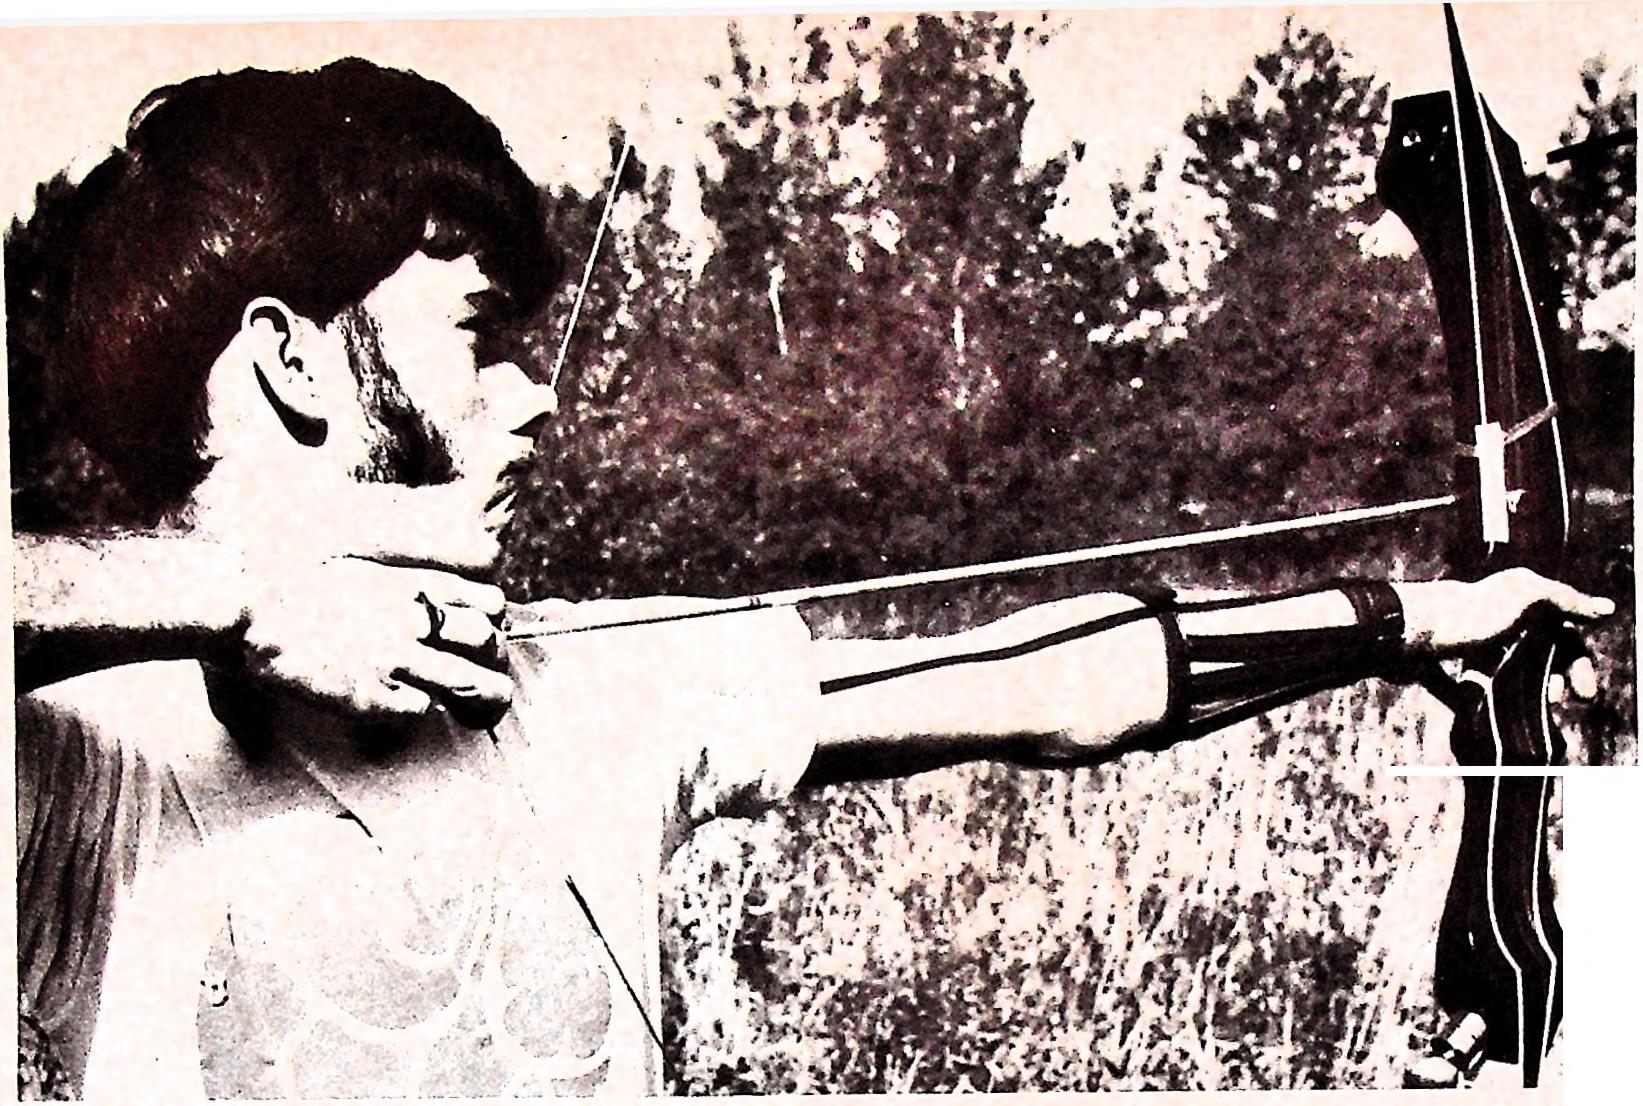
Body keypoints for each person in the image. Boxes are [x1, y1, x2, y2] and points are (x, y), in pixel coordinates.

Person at [8, 59, 1611, 1099]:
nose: (529, 397)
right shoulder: (84, 767)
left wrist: (1421, 618)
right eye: (477, 334)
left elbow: (1045, 684)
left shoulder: (581, 690)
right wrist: (244, 597)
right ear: (292, 359)